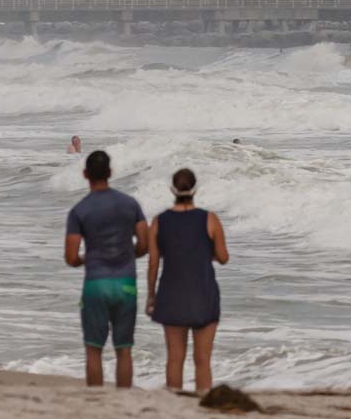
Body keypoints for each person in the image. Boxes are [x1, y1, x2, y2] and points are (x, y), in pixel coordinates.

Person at [64, 150, 148, 388]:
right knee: (124, 350)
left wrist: (88, 258)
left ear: (85, 174)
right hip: (126, 284)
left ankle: (95, 403)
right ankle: (122, 403)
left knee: (93, 350)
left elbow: (70, 257)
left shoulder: (79, 210)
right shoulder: (130, 204)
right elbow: (144, 243)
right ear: (110, 173)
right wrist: (127, 254)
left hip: (95, 284)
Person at [147, 168, 229, 394]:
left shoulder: (159, 221)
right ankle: (203, 404)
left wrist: (151, 296)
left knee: (175, 358)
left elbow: (153, 263)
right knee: (203, 360)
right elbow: (223, 257)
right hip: (203, 293)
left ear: (172, 189)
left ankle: (174, 404)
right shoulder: (209, 219)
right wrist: (203, 251)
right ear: (196, 189)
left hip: (171, 294)